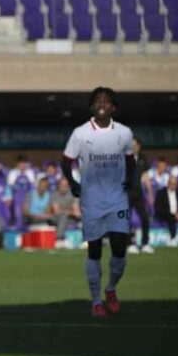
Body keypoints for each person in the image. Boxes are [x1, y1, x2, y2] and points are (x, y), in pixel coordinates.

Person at [61, 87, 136, 317]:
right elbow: (66, 161)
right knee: (94, 251)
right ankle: (96, 301)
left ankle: (111, 289)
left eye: (106, 100)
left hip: (117, 199)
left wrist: (130, 180)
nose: (102, 103)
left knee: (119, 248)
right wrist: (73, 184)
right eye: (97, 100)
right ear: (92, 106)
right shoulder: (80, 133)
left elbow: (130, 159)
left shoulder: (124, 133)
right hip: (91, 201)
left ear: (113, 106)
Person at [126, 137, 154, 254]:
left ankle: (145, 243)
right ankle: (129, 244)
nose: (133, 147)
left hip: (138, 193)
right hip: (126, 192)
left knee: (145, 217)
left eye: (135, 145)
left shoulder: (142, 158)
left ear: (139, 146)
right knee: (125, 219)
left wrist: (150, 192)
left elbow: (146, 176)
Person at [50, 177, 81, 246]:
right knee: (63, 216)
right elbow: (56, 211)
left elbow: (76, 211)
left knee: (84, 215)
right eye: (62, 185)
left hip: (70, 217)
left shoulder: (73, 194)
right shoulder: (54, 195)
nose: (63, 187)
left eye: (65, 185)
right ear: (58, 185)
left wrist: (68, 211)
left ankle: (87, 240)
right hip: (56, 218)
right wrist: (69, 211)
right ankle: (59, 238)